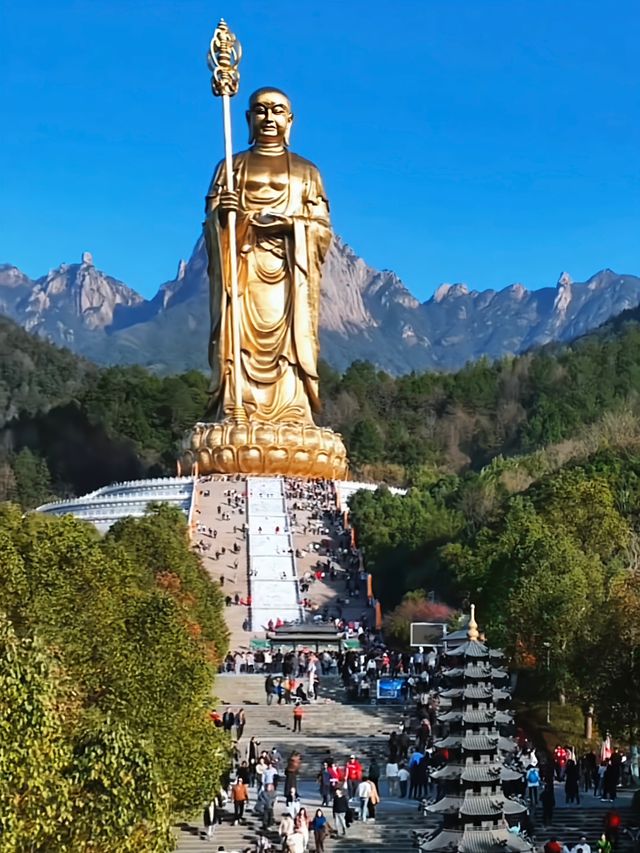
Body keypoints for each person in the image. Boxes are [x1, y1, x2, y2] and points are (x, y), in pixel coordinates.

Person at [204, 87, 332, 426]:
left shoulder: (307, 172)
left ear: (290, 121)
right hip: (243, 271)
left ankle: (292, 410)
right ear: (248, 119)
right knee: (237, 338)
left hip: (290, 273)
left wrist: (291, 225)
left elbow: (322, 229)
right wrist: (226, 217)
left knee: (290, 343)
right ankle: (238, 403)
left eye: (277, 111)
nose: (269, 118)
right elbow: (213, 224)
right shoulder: (231, 167)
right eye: (260, 111)